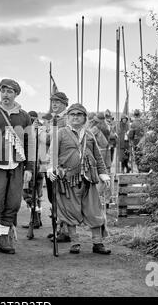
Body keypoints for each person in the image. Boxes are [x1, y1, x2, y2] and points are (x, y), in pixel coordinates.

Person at [47, 103, 112, 255]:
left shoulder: (89, 135)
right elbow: (52, 154)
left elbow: (98, 157)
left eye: (79, 114)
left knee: (94, 211)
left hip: (88, 180)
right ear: (68, 117)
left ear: (84, 118)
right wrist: (51, 167)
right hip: (67, 180)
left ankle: (97, 243)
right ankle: (75, 242)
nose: (75, 117)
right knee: (70, 212)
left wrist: (103, 173)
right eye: (72, 114)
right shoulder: (61, 133)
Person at [0, 79, 33, 255]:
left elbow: (29, 144)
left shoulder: (24, 116)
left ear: (16, 94)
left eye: (10, 91)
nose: (6, 94)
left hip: (17, 166)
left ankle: (4, 236)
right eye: (3, 91)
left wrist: (29, 168)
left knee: (13, 202)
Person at [39, 92, 71, 243]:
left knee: (62, 197)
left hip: (62, 164)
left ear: (65, 103)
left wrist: (42, 135)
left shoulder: (67, 120)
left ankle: (65, 230)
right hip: (50, 163)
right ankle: (59, 228)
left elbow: (51, 139)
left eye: (58, 101)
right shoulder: (53, 119)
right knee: (53, 197)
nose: (54, 104)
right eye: (52, 101)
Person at [22, 111, 45, 229]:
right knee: (37, 195)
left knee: (29, 194)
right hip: (40, 165)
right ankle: (37, 219)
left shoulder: (31, 131)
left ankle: (35, 219)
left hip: (33, 165)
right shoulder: (41, 130)